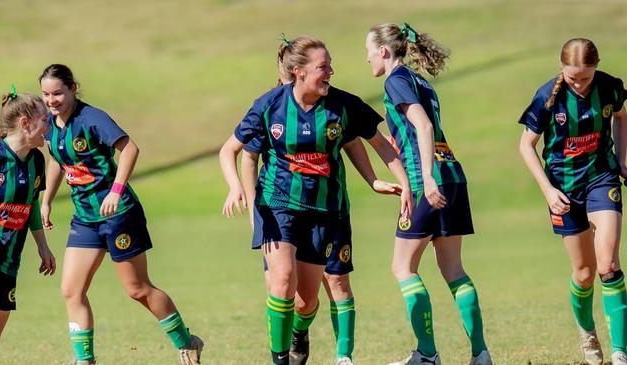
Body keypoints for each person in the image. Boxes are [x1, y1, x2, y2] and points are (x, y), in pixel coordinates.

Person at [220, 35, 411, 365]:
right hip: (277, 205)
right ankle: (280, 360)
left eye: (330, 65)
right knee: (281, 281)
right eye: (324, 67)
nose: (331, 72)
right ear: (299, 71)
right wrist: (238, 188)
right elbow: (231, 151)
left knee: (305, 302)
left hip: (324, 212)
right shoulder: (270, 106)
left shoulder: (343, 106)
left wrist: (402, 183)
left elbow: (380, 144)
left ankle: (299, 332)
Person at [38, 64, 203, 365]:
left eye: (58, 93)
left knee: (137, 289)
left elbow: (129, 149)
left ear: (73, 88)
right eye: (46, 95)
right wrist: (46, 200)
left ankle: (187, 342)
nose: (52, 101)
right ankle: (84, 360)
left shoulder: (92, 118)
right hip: (85, 219)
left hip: (118, 215)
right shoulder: (50, 126)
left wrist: (115, 191)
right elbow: (55, 160)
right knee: (71, 290)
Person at [365, 23, 493, 365]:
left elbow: (422, 125)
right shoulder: (420, 81)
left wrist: (425, 177)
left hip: (429, 182)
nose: (367, 60)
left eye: (368, 52)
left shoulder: (395, 80)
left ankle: (426, 354)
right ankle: (481, 354)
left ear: (383, 51)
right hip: (452, 173)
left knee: (403, 267)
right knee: (454, 270)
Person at [519, 38, 627, 365]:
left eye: (585, 77)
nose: (579, 84)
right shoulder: (546, 97)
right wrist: (548, 192)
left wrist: (621, 159)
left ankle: (620, 352)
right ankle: (587, 332)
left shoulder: (609, 88)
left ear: (596, 68)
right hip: (563, 189)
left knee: (608, 264)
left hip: (601, 178)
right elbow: (526, 146)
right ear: (561, 68)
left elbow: (622, 116)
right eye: (572, 77)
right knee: (583, 273)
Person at [0, 90, 56, 362]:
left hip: (8, 258)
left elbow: (31, 205)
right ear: (25, 123)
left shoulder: (35, 161)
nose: (49, 126)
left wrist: (43, 247)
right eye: (44, 120)